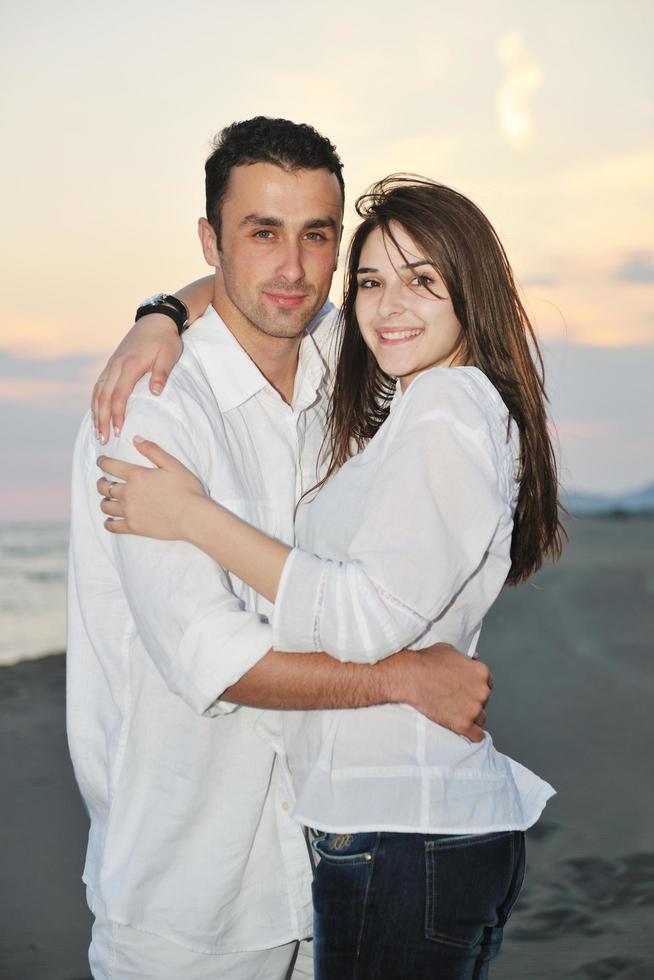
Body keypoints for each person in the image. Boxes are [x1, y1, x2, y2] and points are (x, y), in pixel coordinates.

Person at [95, 175, 563, 978]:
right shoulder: (420, 402)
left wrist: (188, 515)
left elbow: (359, 616)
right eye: (372, 281)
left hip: (401, 831)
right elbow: (271, 290)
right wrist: (164, 311)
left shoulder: (447, 406)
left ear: (469, 292)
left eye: (423, 281)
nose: (388, 309)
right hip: (401, 831)